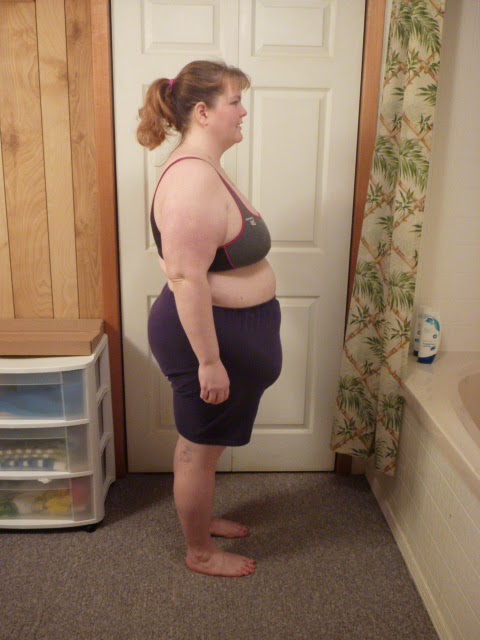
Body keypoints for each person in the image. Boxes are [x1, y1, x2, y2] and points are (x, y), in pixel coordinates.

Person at [137, 60, 282, 577]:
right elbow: (185, 277)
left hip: (226, 332)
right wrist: (209, 361)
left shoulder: (206, 168)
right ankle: (198, 551)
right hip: (206, 339)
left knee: (206, 446)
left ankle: (200, 519)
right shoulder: (191, 180)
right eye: (235, 102)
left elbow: (190, 262)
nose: (243, 112)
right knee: (197, 451)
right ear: (203, 112)